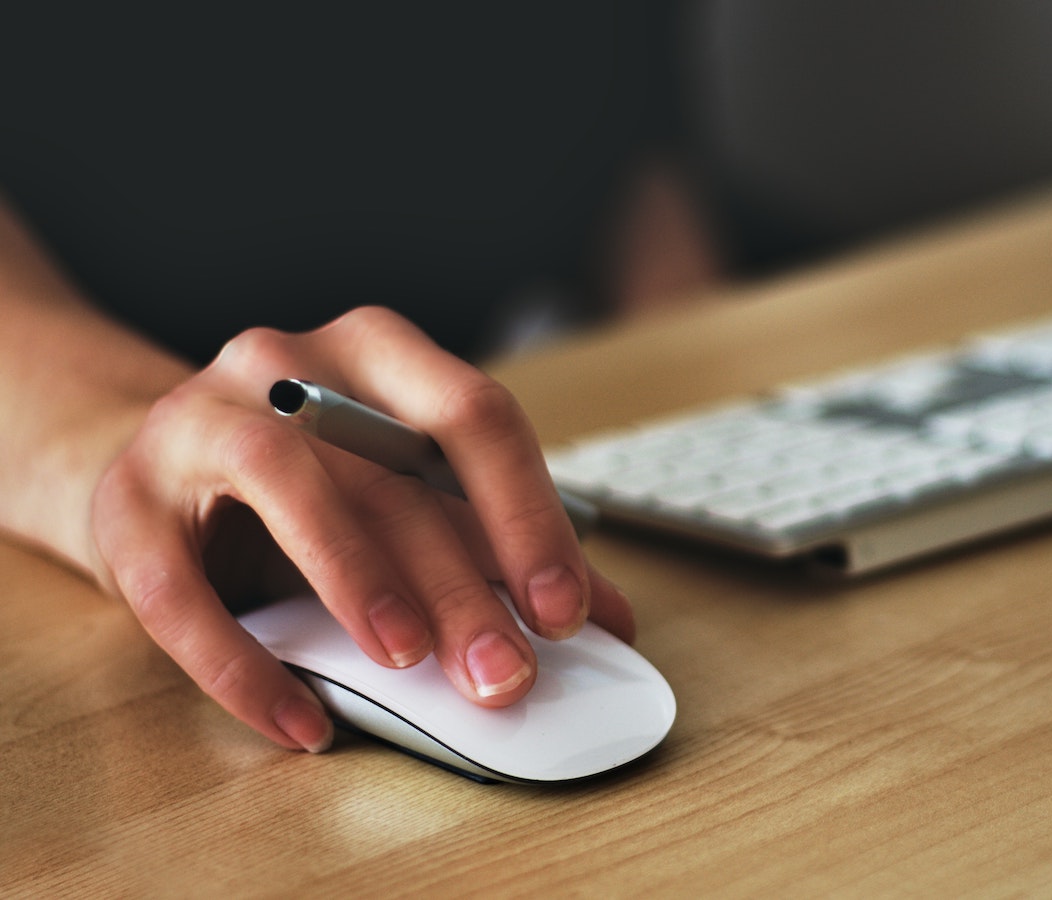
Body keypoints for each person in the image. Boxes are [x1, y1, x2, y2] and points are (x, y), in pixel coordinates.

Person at [0, 4, 712, 755]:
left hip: (458, 454)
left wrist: (697, 431)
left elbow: (641, 166)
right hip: (152, 420)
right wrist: (123, 444)